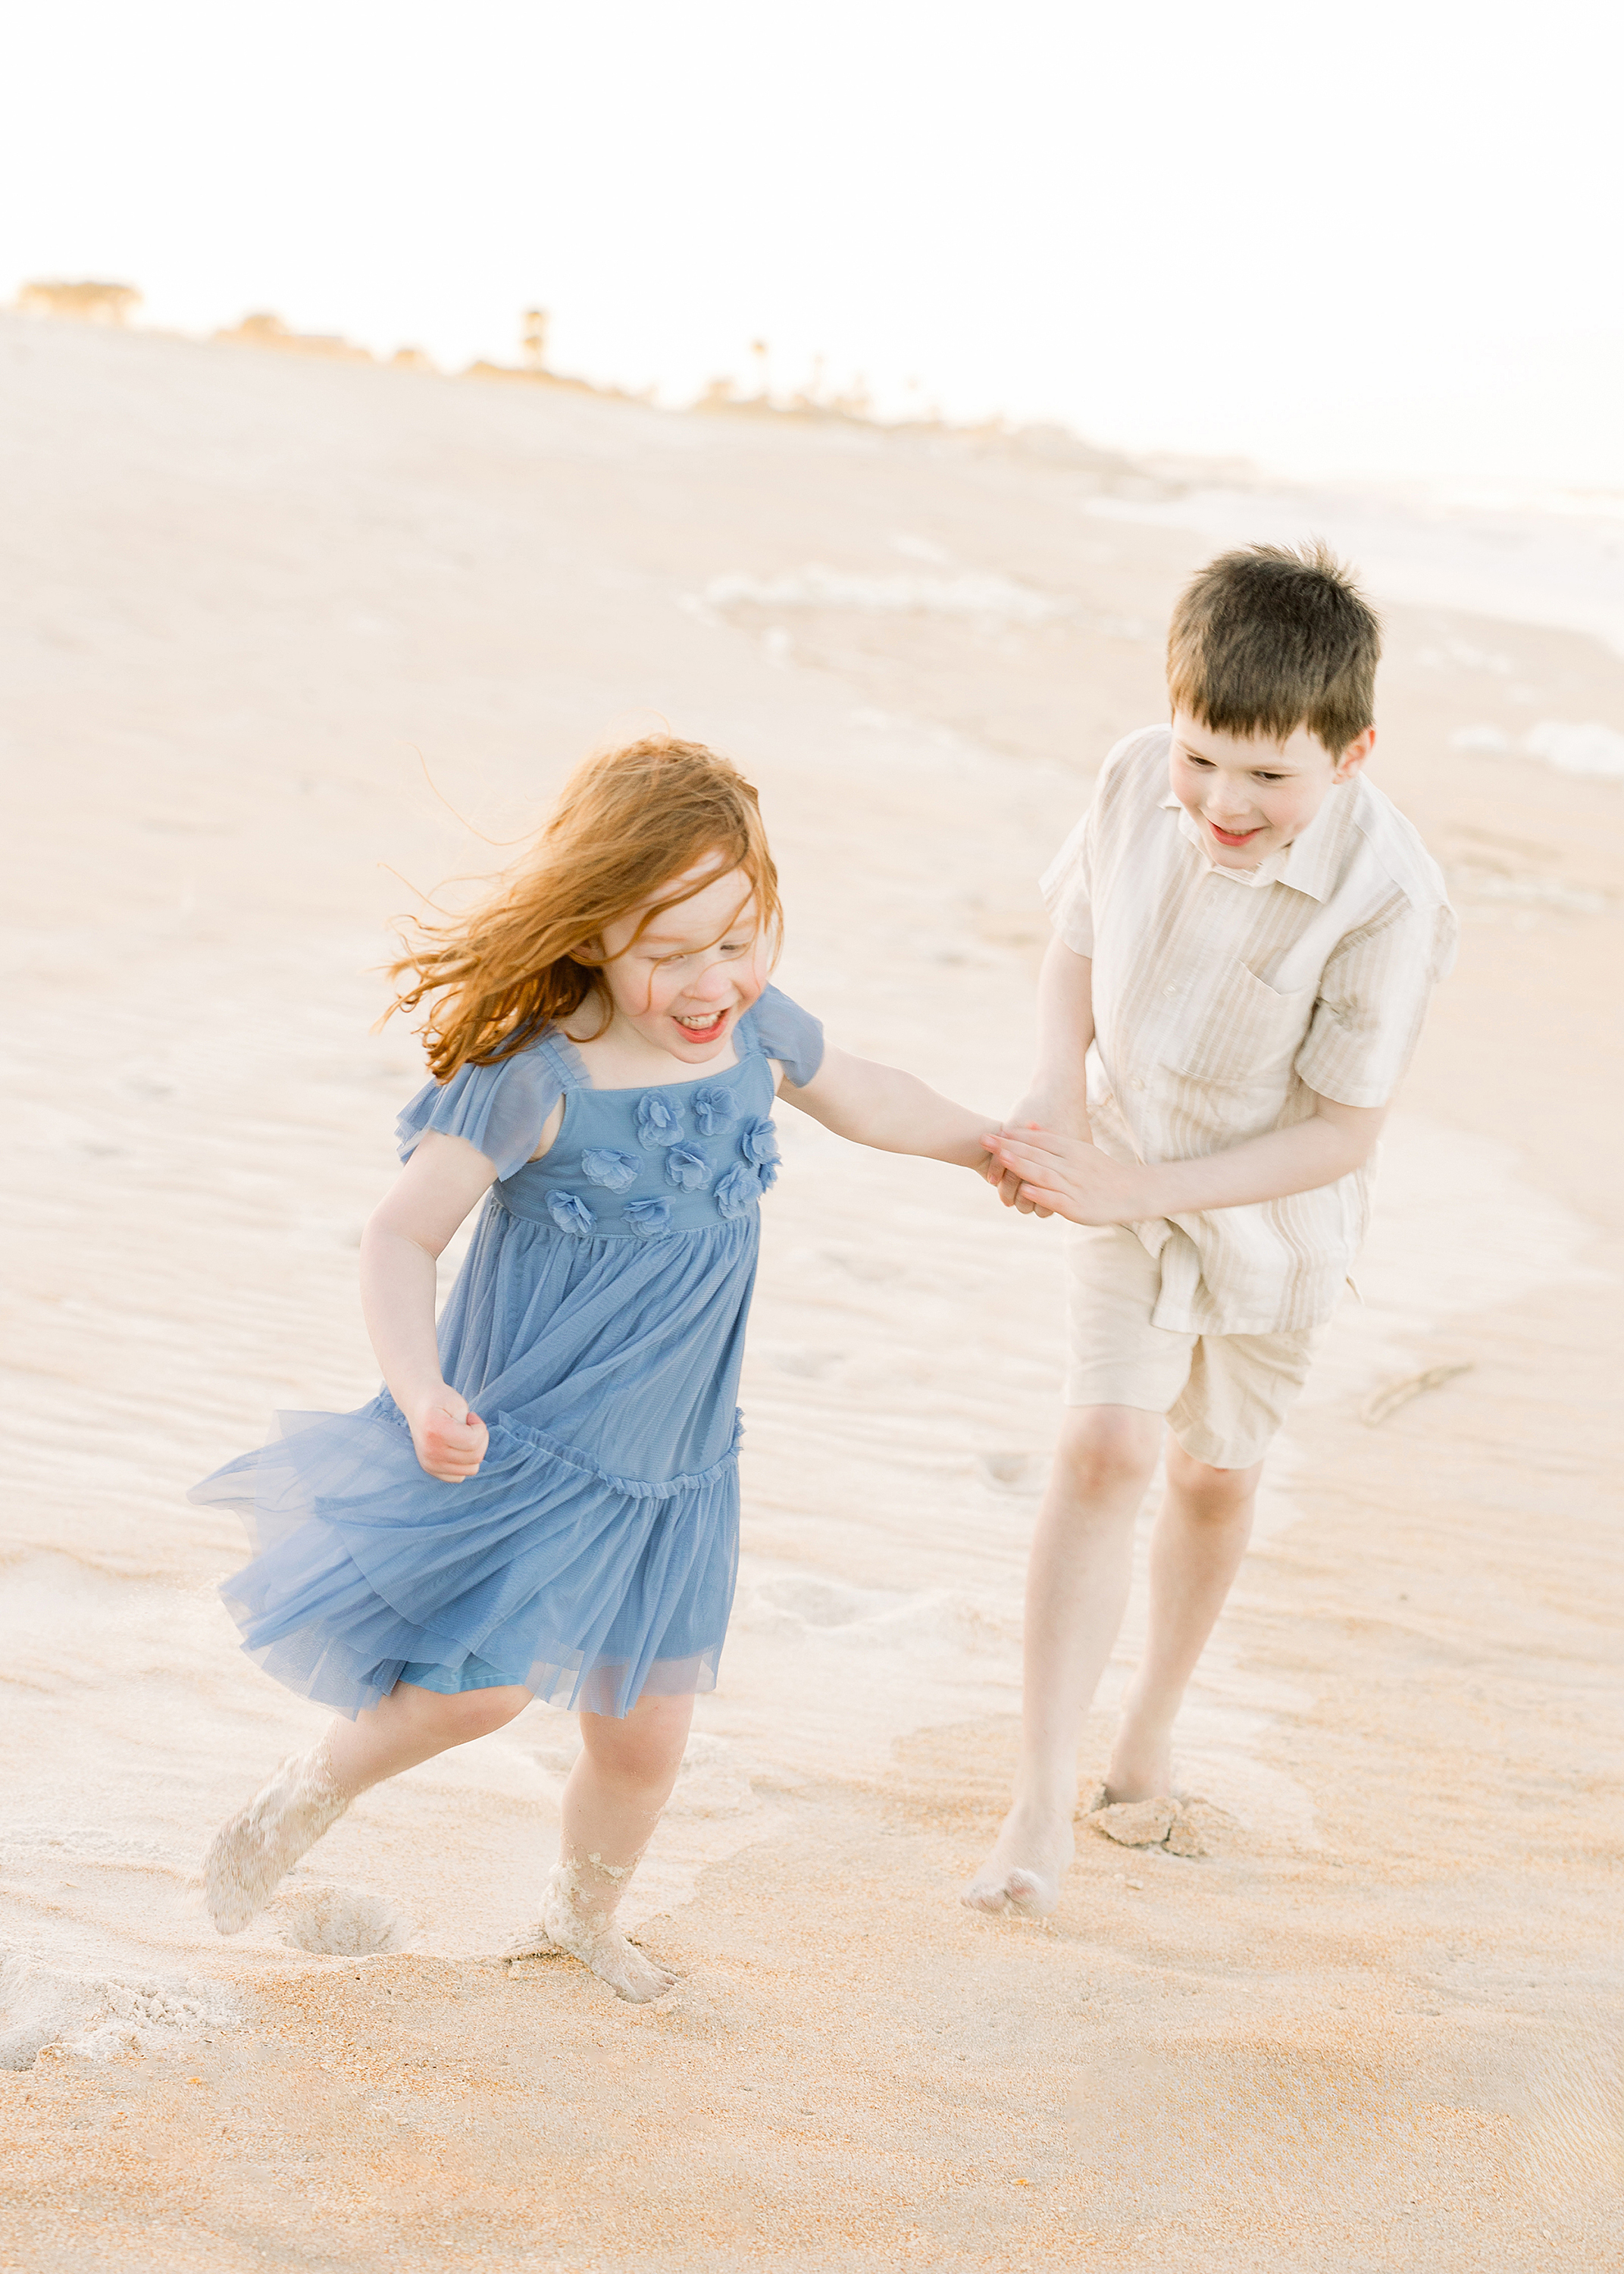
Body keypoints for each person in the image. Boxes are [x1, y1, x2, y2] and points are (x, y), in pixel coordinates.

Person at [193, 735, 994, 2000]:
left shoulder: (756, 1035)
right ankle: (294, 1800)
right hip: (534, 1445)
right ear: (593, 934)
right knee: (477, 1694)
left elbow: (876, 1098)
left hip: (678, 1466)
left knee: (646, 1735)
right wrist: (417, 1390)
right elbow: (402, 1233)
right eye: (667, 952)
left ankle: (579, 1917)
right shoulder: (538, 1078)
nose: (710, 981)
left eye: (738, 939)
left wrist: (985, 1147)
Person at [964, 543, 1457, 1918]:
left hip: (1271, 1218)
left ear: (1353, 751)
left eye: (1268, 778)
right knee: (1106, 1443)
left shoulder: (1390, 896)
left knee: (1212, 1475)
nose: (1222, 804)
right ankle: (1036, 1799)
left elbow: (1344, 1133)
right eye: (1203, 760)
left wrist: (1138, 1192)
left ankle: (1152, 1725)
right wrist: (1058, 1096)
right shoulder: (1136, 778)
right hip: (1125, 1149)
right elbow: (1073, 940)